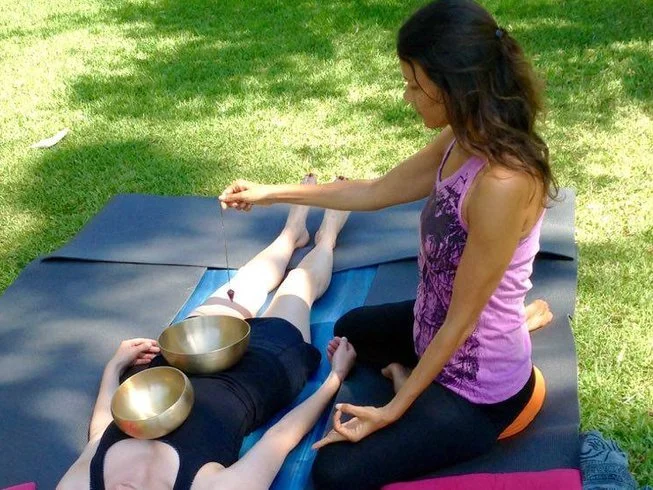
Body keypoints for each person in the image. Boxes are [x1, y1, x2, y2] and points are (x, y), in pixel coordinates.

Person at [219, 0, 557, 487]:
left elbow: (462, 321)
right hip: (432, 329)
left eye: (416, 85)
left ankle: (431, 378)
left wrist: (394, 409)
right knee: (352, 330)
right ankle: (424, 368)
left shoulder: (503, 183)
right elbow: (375, 191)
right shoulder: (462, 137)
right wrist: (269, 193)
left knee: (334, 474)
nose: (407, 96)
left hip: (478, 386)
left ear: (455, 87)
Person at [57, 175, 358, 490]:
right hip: (258, 373)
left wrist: (115, 365)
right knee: (298, 286)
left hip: (183, 356)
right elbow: (280, 438)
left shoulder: (79, 485)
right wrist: (335, 378)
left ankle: (291, 234)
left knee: (243, 285)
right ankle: (327, 238)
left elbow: (100, 433)